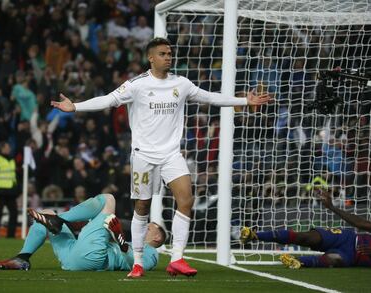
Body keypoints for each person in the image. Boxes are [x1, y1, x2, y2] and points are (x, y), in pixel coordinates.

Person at [51, 37, 271, 278]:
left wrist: (244, 101)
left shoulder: (182, 83)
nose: (169, 57)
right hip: (143, 156)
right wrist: (76, 107)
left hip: (171, 155)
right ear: (151, 57)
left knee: (186, 200)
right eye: (164, 54)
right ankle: (137, 262)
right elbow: (109, 100)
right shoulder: (137, 84)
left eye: (170, 53)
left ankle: (177, 258)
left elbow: (209, 97)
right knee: (142, 207)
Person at [0, 193, 166, 271]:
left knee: (109, 199)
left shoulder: (152, 253)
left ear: (157, 237)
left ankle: (61, 220)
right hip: (72, 256)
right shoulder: (134, 244)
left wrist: (121, 244)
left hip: (93, 259)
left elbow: (140, 264)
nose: (144, 226)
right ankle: (23, 258)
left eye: (149, 227)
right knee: (47, 215)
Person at [240, 190, 371, 269]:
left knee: (335, 259)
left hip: (353, 257)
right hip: (348, 238)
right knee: (308, 237)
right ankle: (254, 235)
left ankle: (298, 261)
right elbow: (360, 223)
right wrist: (332, 207)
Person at [0, 141, 19, 238]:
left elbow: (14, 176)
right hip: (0, 192)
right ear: (2, 148)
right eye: (7, 147)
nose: (9, 149)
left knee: (14, 213)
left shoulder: (11, 160)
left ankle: (10, 236)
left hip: (10, 192)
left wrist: (16, 189)